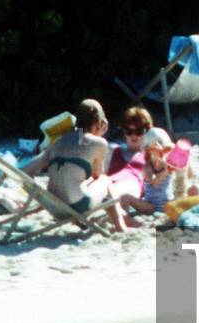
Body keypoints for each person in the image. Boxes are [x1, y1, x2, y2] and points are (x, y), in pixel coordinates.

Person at [23, 99, 130, 232]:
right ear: (99, 123)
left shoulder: (58, 141)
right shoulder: (99, 143)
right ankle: (121, 225)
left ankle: (117, 212)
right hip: (76, 204)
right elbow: (97, 175)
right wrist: (100, 136)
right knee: (105, 180)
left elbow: (26, 170)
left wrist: (41, 194)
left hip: (53, 203)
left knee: (80, 182)